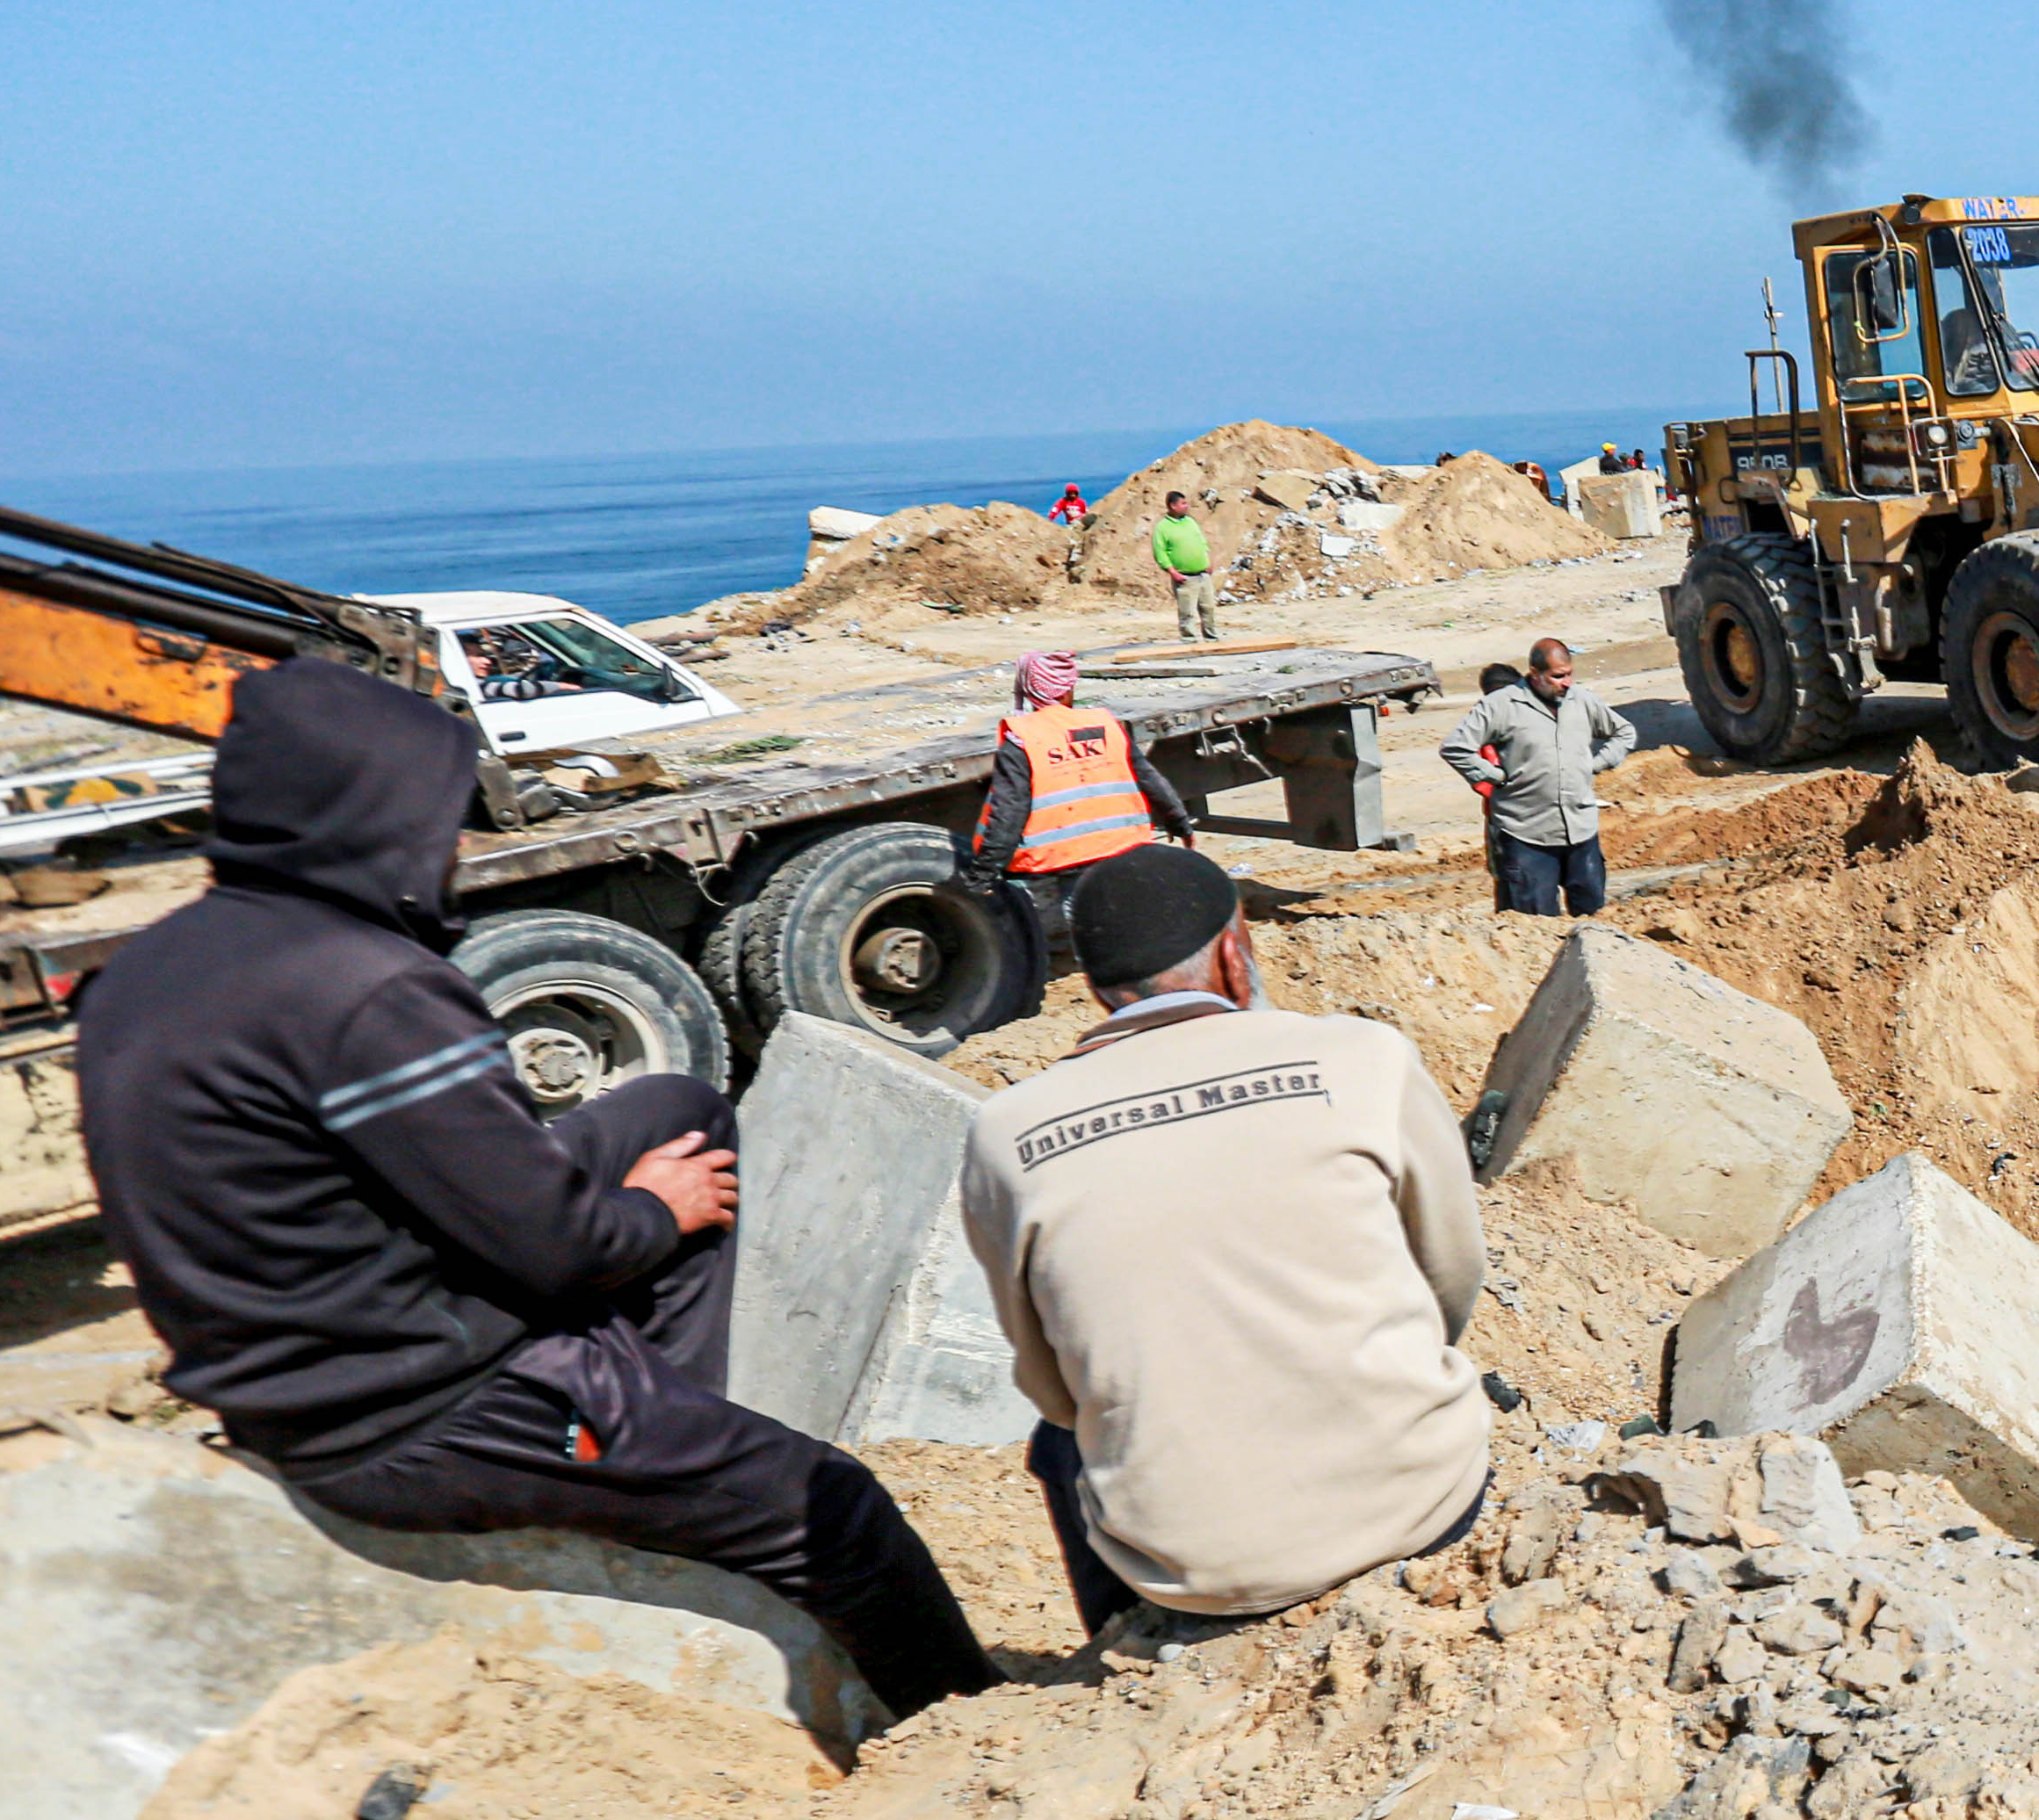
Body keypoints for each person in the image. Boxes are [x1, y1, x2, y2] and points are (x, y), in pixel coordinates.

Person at [74, 660, 998, 1720]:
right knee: (839, 1510)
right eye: (441, 815)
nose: (458, 846)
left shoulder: (156, 966)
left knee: (673, 1115)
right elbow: (558, 1250)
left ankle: (666, 1423)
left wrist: (644, 1189)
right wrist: (657, 1211)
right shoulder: (363, 989)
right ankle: (961, 1728)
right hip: (427, 1411)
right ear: (373, 814)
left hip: (302, 1364)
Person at [958, 845, 1492, 1629]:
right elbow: (1451, 1271)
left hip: (1191, 1572)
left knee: (1058, 1443)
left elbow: (1051, 1385)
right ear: (1237, 956)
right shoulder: (1363, 1058)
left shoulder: (1007, 1133)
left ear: (1099, 991)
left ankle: (1119, 1646)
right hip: (1422, 1505)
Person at [959, 654, 1201, 970]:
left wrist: (984, 872)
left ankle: (1124, 981)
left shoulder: (1023, 739)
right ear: (1069, 688)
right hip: (1122, 848)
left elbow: (1009, 811)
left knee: (1096, 939)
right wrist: (1180, 824)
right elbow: (1148, 778)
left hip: (1072, 860)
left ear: (1030, 692)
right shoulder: (1104, 724)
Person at [1439, 638, 1643, 916]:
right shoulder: (1501, 706)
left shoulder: (1581, 701)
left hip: (1580, 831)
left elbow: (1625, 732)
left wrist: (1595, 764)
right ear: (1535, 674)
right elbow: (1455, 747)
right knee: (1535, 922)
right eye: (1558, 676)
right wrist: (1495, 776)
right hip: (1527, 834)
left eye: (1569, 674)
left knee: (1595, 918)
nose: (1566, 682)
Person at [1153, 490, 1218, 640]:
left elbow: (1202, 542)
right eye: (1183, 503)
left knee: (1208, 608)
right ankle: (1189, 641)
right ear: (1173, 506)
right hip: (1185, 577)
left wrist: (1209, 561)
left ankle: (1211, 638)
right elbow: (1160, 552)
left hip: (1203, 574)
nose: (1186, 506)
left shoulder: (1190, 521)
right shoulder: (1162, 527)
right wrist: (1172, 572)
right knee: (1187, 612)